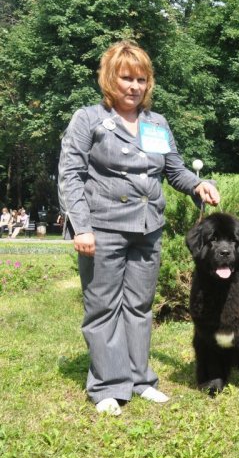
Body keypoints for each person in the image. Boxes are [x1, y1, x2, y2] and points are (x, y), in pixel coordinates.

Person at [58, 40, 220, 416]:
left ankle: (140, 379)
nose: (134, 86)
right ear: (109, 79)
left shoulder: (156, 123)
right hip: (102, 228)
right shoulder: (89, 119)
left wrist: (198, 185)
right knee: (103, 307)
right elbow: (69, 175)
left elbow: (174, 170)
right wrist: (81, 227)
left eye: (141, 79)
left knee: (139, 306)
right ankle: (107, 387)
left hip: (148, 229)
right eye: (126, 78)